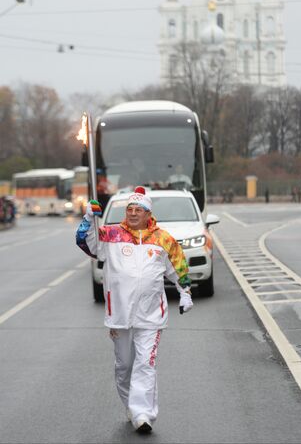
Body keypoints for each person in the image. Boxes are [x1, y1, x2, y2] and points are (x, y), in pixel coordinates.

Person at [76, 186, 193, 434]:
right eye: (129, 209)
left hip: (151, 316)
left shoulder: (163, 239)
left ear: (148, 213)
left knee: (145, 364)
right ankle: (131, 406)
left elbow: (178, 267)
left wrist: (185, 292)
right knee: (124, 366)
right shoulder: (111, 235)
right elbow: (86, 244)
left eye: (138, 209)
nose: (132, 213)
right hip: (119, 314)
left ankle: (143, 414)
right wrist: (89, 218)